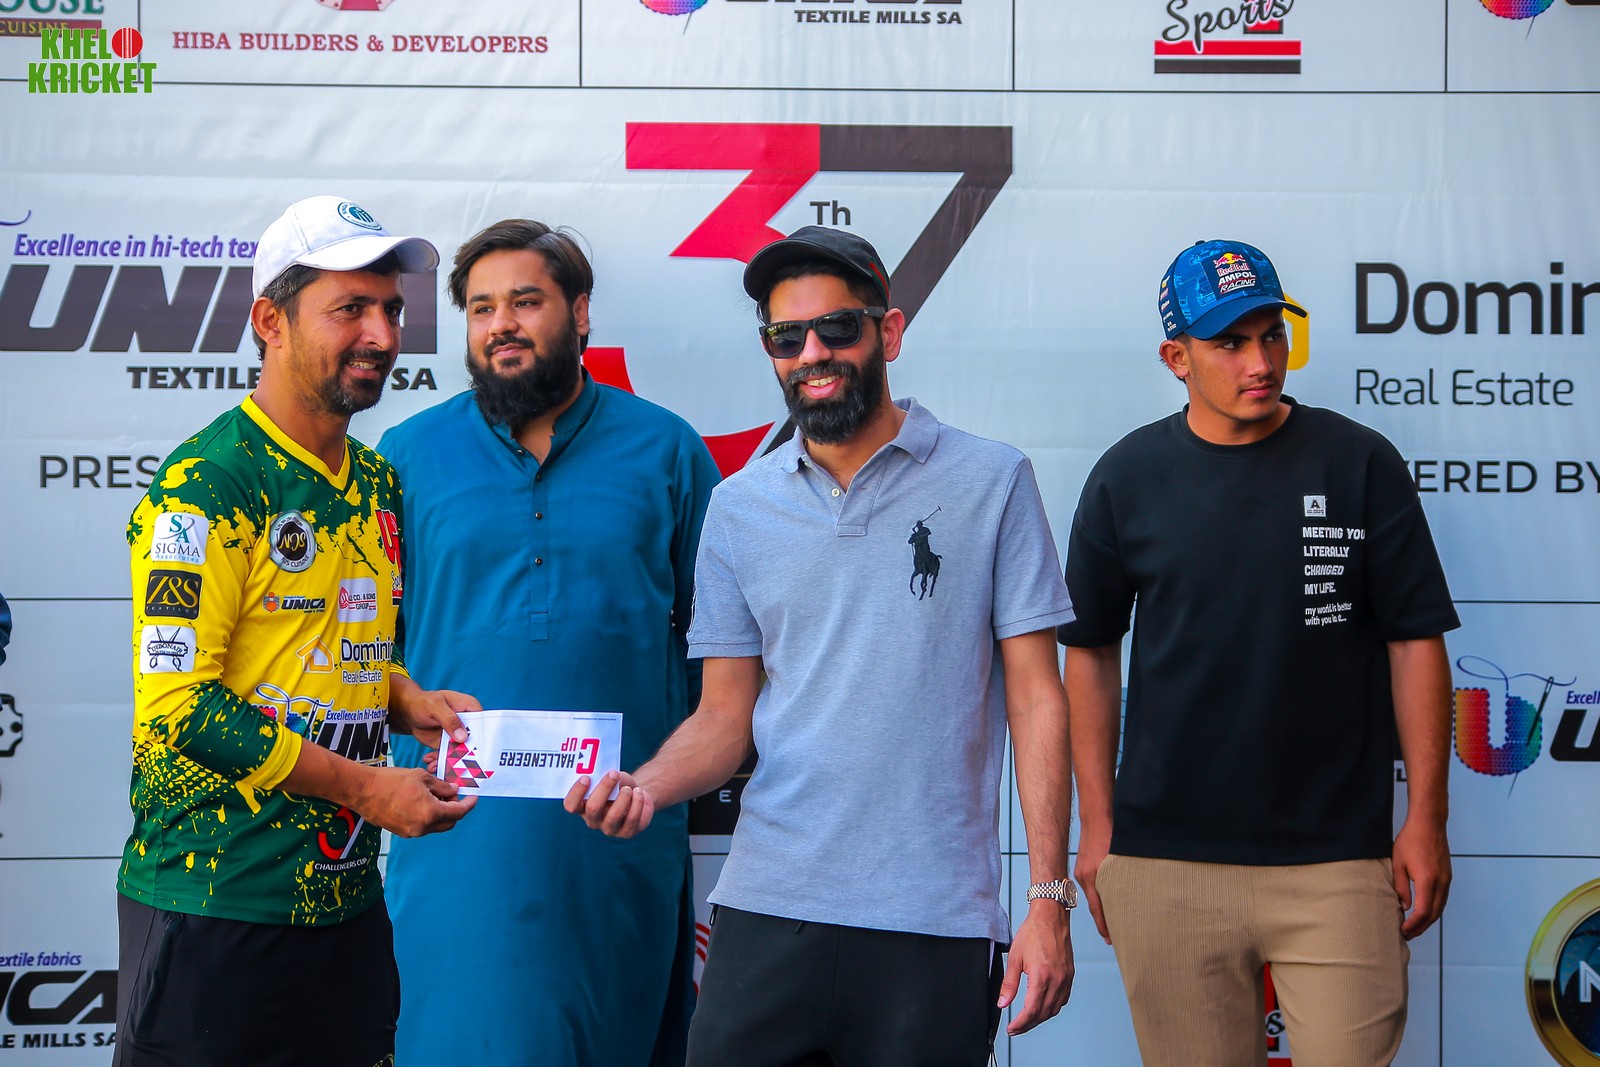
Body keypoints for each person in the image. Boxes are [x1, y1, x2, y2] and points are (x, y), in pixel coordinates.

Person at [568, 225, 1078, 1066]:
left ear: (889, 331)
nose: (812, 353)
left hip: (934, 921)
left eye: (837, 327)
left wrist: (1048, 896)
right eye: (786, 336)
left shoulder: (993, 480)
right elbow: (724, 717)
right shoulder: (738, 508)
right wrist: (643, 785)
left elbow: (1036, 696)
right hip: (767, 910)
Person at [1059, 239, 1458, 1067]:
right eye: (1230, 342)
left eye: (1272, 334)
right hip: (1166, 863)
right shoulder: (1126, 476)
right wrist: (1097, 825)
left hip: (1339, 862)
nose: (1261, 360)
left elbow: (1414, 639)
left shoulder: (1360, 461)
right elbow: (1089, 652)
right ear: (1177, 358)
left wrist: (1426, 817)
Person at [116, 195, 477, 1067]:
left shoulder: (377, 481)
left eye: (390, 309)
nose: (382, 335)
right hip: (214, 903)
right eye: (350, 308)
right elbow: (178, 704)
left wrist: (406, 698)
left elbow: (333, 651)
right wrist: (366, 789)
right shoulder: (207, 483)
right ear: (270, 321)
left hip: (346, 909)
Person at [378, 219, 720, 1066]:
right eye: (481, 308)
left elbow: (722, 656)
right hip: (457, 844)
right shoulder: (405, 456)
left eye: (526, 301)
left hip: (613, 840)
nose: (502, 324)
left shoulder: (668, 451)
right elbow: (365, 651)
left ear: (580, 312)